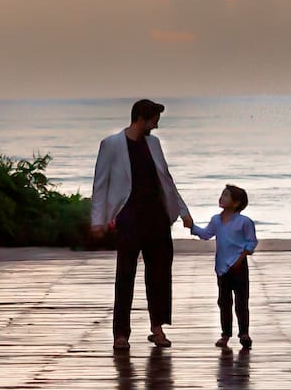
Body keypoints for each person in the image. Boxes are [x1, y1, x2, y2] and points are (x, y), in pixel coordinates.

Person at [91, 98, 191, 350]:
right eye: (154, 120)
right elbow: (100, 184)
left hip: (157, 218)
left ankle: (157, 329)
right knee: (125, 275)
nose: (156, 126)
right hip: (128, 218)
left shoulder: (154, 144)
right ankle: (120, 334)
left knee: (159, 275)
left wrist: (183, 211)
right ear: (142, 118)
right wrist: (98, 220)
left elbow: (166, 181)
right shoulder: (112, 144)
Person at [188, 184, 258, 349]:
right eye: (222, 195)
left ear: (236, 203)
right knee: (224, 302)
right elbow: (206, 234)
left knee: (241, 301)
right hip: (222, 268)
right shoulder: (216, 220)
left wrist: (240, 259)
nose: (222, 198)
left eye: (226, 195)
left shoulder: (244, 222)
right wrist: (191, 226)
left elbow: (251, 243)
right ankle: (225, 334)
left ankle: (244, 333)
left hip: (238, 266)